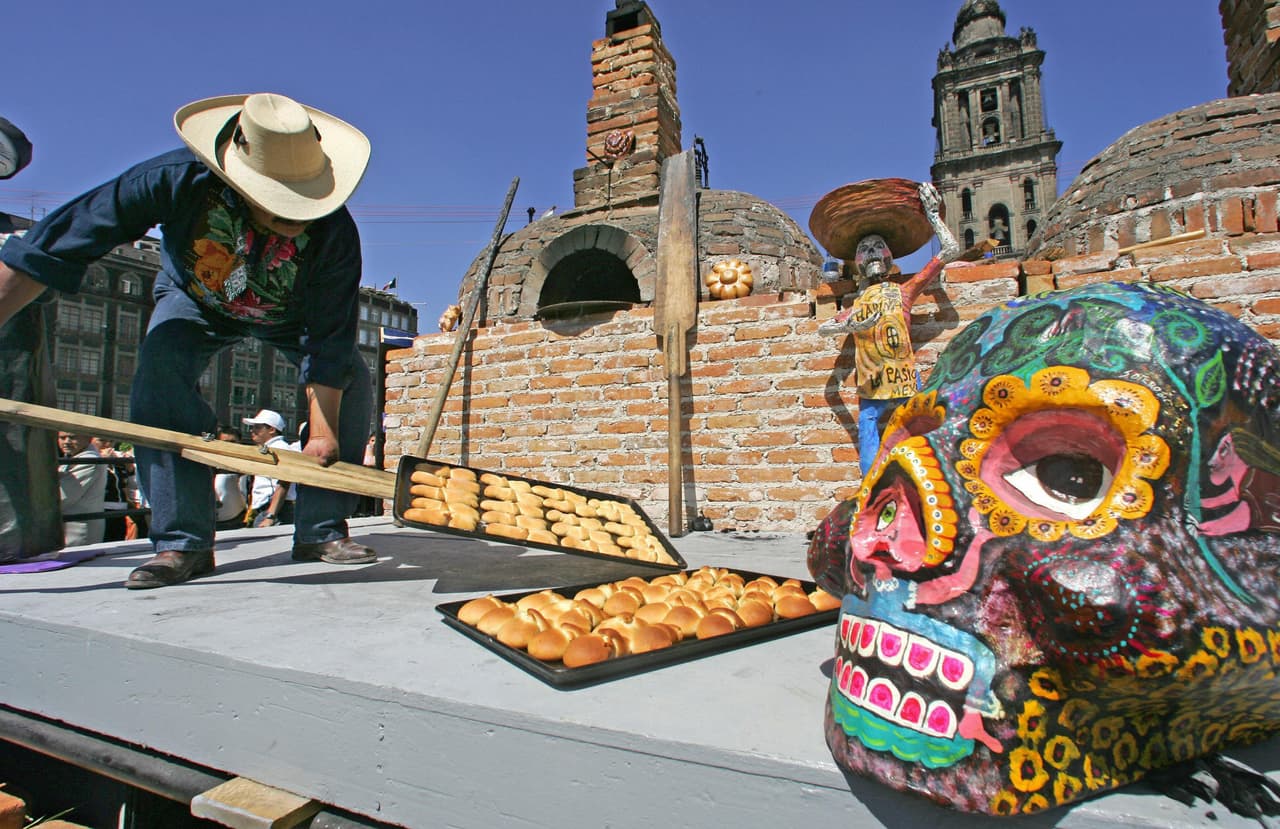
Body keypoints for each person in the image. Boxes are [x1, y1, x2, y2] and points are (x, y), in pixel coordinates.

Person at [0, 93, 379, 588]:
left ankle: (320, 531)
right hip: (196, 299)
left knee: (354, 383)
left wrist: (323, 433)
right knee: (160, 373)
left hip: (292, 315)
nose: (296, 215)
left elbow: (329, 340)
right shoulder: (171, 179)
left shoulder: (335, 236)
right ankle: (183, 543)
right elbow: (49, 249)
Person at [818, 182, 961, 476]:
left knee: (923, 433)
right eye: (863, 249)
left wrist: (933, 215)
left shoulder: (903, 292)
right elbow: (823, 329)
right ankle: (871, 490)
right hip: (872, 383)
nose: (871, 253)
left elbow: (951, 249)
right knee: (869, 429)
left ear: (888, 255)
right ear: (856, 262)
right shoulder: (856, 305)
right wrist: (852, 324)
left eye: (876, 246)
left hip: (906, 379)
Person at [243, 409, 295, 528]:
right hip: (272, 510)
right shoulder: (271, 449)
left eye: (257, 427)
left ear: (271, 430)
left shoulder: (279, 449)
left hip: (275, 510)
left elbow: (283, 482)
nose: (252, 430)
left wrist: (270, 516)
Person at [57, 432, 107, 546]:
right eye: (62, 438)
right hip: (71, 527)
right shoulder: (74, 457)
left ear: (89, 438)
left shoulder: (89, 460)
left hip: (78, 530)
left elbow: (62, 497)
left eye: (73, 437)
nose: (67, 442)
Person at [92, 436, 130, 542]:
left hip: (120, 510)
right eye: (102, 440)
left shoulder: (117, 462)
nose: (108, 444)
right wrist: (102, 461)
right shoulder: (89, 460)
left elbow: (126, 484)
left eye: (112, 441)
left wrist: (130, 469)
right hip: (101, 510)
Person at [212, 425, 248, 531]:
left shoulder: (247, 463)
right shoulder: (210, 462)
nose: (229, 446)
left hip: (239, 517)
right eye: (225, 443)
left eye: (233, 442)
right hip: (214, 519)